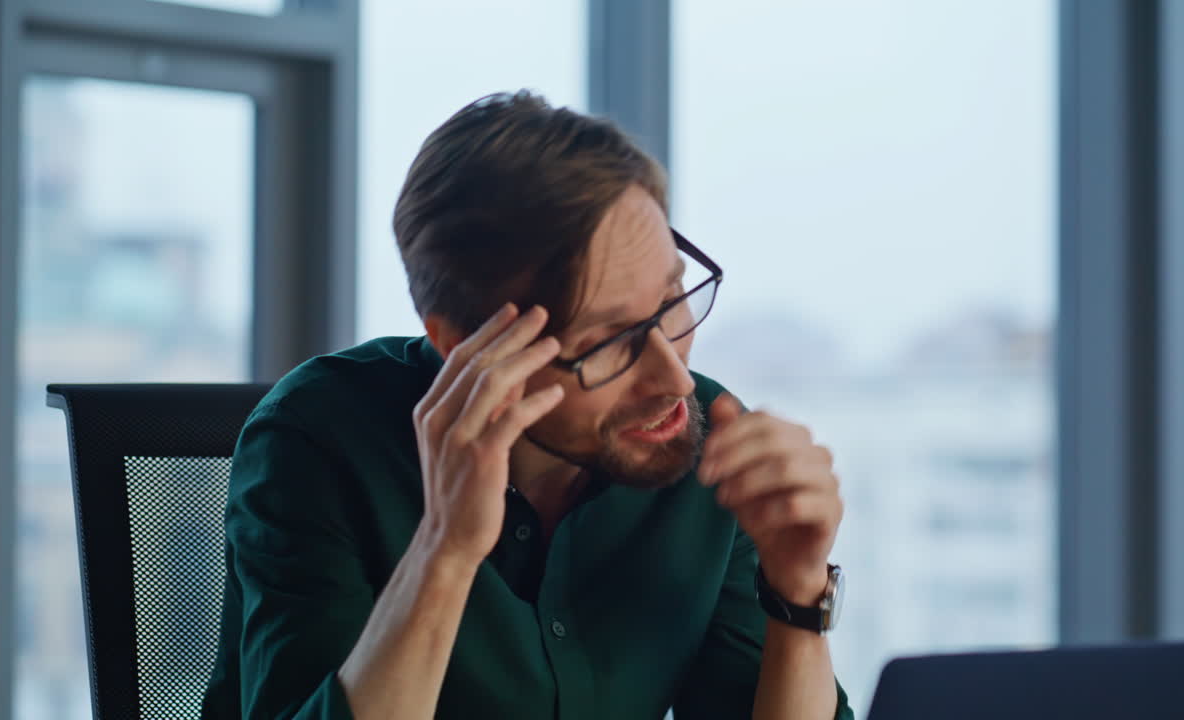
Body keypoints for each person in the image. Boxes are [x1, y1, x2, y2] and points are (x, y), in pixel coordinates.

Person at [202, 90, 852, 720]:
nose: (674, 378)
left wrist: (796, 592)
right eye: (609, 341)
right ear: (463, 346)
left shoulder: (707, 443)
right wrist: (445, 549)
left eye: (673, 297)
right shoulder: (318, 439)